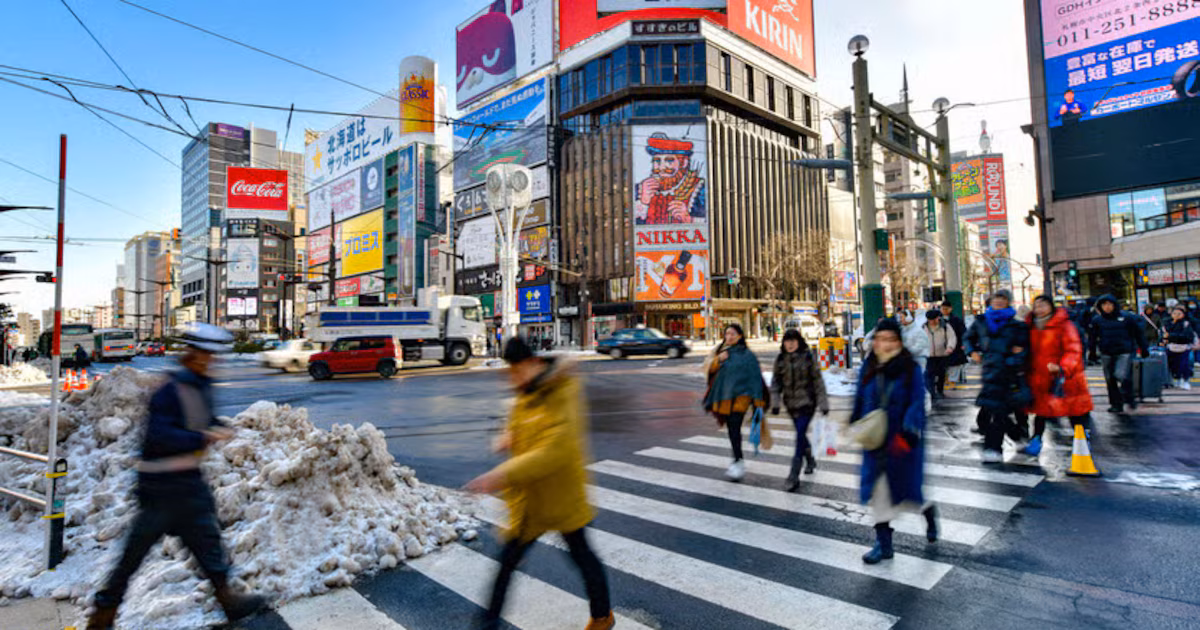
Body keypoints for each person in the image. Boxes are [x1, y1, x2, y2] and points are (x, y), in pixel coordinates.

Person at [87, 324, 265, 630]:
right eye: (207, 355)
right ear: (193, 354)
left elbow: (202, 419)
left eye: (214, 355)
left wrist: (218, 426)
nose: (212, 361)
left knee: (208, 540)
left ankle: (227, 598)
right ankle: (104, 613)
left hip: (189, 482)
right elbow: (159, 433)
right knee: (135, 551)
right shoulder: (172, 387)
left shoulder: (202, 384)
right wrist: (200, 438)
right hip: (161, 484)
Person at [465, 338, 614, 630]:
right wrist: (508, 436)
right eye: (511, 373)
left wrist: (502, 474)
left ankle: (602, 617)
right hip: (530, 501)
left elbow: (556, 449)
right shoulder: (526, 391)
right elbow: (520, 422)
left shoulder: (564, 391)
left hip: (561, 495)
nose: (514, 380)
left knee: (583, 558)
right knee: (507, 562)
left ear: (533, 363)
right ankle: (488, 623)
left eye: (517, 372)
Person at [849, 318, 936, 564]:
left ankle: (928, 512)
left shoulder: (910, 368)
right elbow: (860, 394)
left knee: (908, 491)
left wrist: (909, 429)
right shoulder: (869, 365)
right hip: (876, 438)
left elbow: (917, 401)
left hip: (901, 438)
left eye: (890, 339)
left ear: (899, 341)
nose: (884, 344)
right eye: (880, 338)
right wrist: (855, 417)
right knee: (879, 492)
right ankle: (883, 544)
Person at [1021, 296, 1093, 456]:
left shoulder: (1064, 325)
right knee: (1041, 411)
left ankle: (1082, 442)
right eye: (1036, 306)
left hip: (1066, 377)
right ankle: (1036, 439)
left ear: (1051, 307)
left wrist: (1062, 367)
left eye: (1043, 305)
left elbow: (1073, 349)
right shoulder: (1030, 326)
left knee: (1075, 411)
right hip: (1039, 377)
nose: (1039, 309)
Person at [965, 290, 1031, 463]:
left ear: (1008, 302)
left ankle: (993, 448)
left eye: (1003, 299)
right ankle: (1017, 438)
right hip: (988, 371)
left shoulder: (1016, 325)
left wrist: (1013, 359)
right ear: (991, 301)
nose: (999, 302)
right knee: (996, 409)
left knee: (998, 410)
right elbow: (967, 338)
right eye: (996, 299)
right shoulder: (981, 322)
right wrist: (972, 352)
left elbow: (1024, 348)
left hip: (1009, 373)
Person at [703, 323, 770, 481]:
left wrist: (758, 402)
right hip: (724, 398)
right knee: (733, 430)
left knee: (734, 427)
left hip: (741, 399)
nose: (729, 337)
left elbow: (755, 378)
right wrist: (718, 360)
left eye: (733, 334)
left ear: (740, 336)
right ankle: (737, 460)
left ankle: (737, 461)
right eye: (727, 334)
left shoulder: (748, 355)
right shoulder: (721, 353)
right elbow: (709, 371)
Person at [771, 329, 829, 491]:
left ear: (799, 342)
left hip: (807, 403)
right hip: (790, 404)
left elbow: (818, 382)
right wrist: (775, 403)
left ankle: (793, 475)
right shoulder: (781, 360)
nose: (790, 344)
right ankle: (810, 460)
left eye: (793, 341)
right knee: (801, 434)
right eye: (787, 341)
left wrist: (823, 403)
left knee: (799, 435)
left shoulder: (808, 357)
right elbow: (775, 383)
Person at [1089, 295, 1149, 413]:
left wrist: (1143, 348)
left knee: (1121, 375)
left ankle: (1128, 396)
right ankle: (1116, 404)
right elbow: (1092, 338)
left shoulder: (1126, 318)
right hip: (1106, 352)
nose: (1107, 307)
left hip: (1124, 351)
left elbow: (1138, 333)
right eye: (1104, 305)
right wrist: (1092, 353)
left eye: (1109, 304)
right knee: (1110, 379)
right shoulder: (1097, 320)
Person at [634, 132, 706, 225]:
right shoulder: (640, 190)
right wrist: (643, 203)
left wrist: (689, 219)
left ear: (684, 163)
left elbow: (716, 223)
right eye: (657, 161)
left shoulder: (700, 189)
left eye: (669, 161)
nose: (662, 167)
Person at [924, 309, 957, 401]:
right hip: (929, 355)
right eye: (930, 320)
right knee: (929, 374)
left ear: (938, 318)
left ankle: (940, 391)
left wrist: (950, 347)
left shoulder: (945, 326)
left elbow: (952, 337)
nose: (932, 322)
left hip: (942, 354)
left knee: (941, 374)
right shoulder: (924, 327)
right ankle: (931, 393)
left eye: (934, 319)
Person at [1163, 305, 1197, 390]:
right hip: (1171, 347)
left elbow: (1187, 337)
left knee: (1184, 365)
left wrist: (1171, 336)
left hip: (1183, 348)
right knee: (1173, 365)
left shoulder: (1186, 324)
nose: (1176, 315)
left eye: (1179, 313)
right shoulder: (1167, 323)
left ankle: (1185, 380)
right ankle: (1176, 380)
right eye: (1174, 313)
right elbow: (1163, 335)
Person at [940, 301, 968, 389]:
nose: (944, 310)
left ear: (950, 309)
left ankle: (952, 381)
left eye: (946, 309)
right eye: (943, 308)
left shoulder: (956, 320)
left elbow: (963, 332)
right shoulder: (937, 319)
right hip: (940, 346)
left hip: (956, 346)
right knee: (943, 365)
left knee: (954, 365)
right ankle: (946, 380)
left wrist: (963, 344)